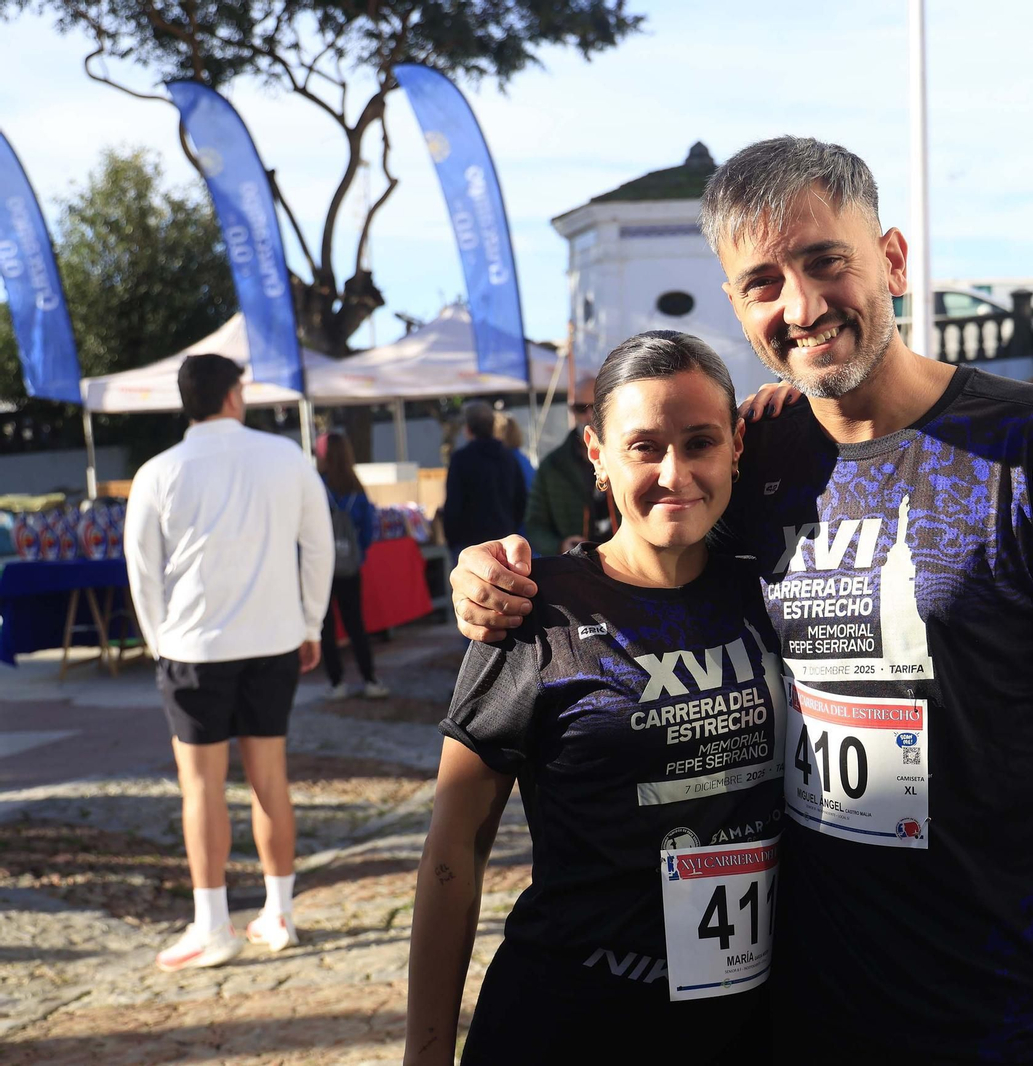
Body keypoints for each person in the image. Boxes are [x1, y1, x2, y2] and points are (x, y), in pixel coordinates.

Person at [447, 136, 1033, 1065]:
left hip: (1017, 1011)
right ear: (735, 303)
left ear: (889, 258)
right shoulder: (757, 458)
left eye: (824, 262)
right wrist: (500, 579)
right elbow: (640, 564)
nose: (802, 306)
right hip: (809, 1016)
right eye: (763, 281)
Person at [405, 332, 780, 1064]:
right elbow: (454, 849)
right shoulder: (532, 612)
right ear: (597, 454)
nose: (676, 473)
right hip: (571, 1020)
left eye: (700, 442)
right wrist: (425, 1055)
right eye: (644, 446)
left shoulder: (772, 587)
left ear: (736, 444)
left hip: (751, 1024)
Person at [124, 354, 333, 970]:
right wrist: (310, 622)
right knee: (270, 778)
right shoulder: (286, 458)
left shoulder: (158, 471)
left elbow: (141, 569)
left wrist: (160, 639)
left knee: (201, 787)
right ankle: (280, 912)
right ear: (235, 396)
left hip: (193, 648)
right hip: (272, 640)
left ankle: (213, 924)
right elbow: (317, 543)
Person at [316, 431, 388, 700]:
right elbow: (369, 529)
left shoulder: (317, 486)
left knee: (327, 626)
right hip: (350, 567)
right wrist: (358, 555)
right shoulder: (357, 489)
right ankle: (370, 678)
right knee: (356, 624)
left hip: (323, 566)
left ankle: (336, 683)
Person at [524, 375, 614, 556]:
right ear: (572, 411)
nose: (589, 416)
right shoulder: (552, 465)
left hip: (627, 562)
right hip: (580, 566)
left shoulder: (628, 455)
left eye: (596, 407)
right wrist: (560, 546)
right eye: (581, 408)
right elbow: (534, 524)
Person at [441, 401, 527, 559]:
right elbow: (521, 500)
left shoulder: (461, 459)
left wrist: (452, 542)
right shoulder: (508, 456)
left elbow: (453, 505)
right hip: (504, 542)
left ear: (467, 429)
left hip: (471, 545)